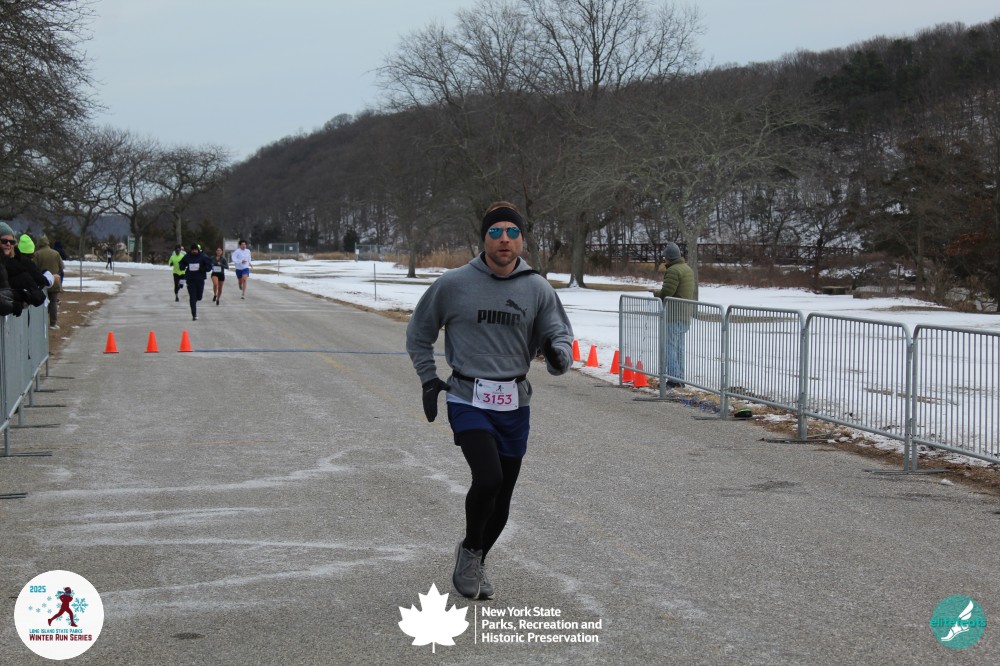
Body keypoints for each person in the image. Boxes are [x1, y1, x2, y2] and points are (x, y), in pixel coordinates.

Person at [405, 201, 574, 600]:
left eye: (512, 233)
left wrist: (558, 356)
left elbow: (560, 335)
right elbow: (418, 333)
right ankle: (470, 557)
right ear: (483, 239)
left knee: (503, 495)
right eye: (495, 232)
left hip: (514, 402)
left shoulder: (537, 288)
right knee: (489, 478)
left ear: (522, 241)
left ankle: (474, 555)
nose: (504, 239)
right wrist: (429, 379)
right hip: (468, 397)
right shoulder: (453, 284)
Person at [652, 241, 695, 388]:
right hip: (685, 314)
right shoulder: (687, 269)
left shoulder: (673, 271)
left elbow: (667, 292)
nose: (664, 259)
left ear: (669, 257)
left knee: (669, 347)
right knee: (679, 347)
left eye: (665, 257)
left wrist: (656, 293)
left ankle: (673, 378)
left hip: (673, 315)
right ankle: (680, 378)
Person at [0, 226, 49, 316]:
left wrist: (20, 296)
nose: (8, 244)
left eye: (11, 242)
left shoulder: (12, 262)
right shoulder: (14, 263)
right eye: (4, 241)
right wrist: (13, 305)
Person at [33, 235, 65, 329]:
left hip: (42, 282)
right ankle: (53, 323)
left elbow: (33, 268)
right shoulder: (56, 253)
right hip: (54, 281)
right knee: (53, 302)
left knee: (42, 302)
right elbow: (61, 267)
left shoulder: (37, 254)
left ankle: (41, 323)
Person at [178, 243, 212, 320]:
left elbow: (209, 266)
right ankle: (194, 314)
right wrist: (182, 267)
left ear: (198, 250)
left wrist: (202, 268)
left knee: (199, 296)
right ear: (191, 250)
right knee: (192, 297)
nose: (194, 251)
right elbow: (181, 263)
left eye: (195, 250)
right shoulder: (187, 256)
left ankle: (195, 301)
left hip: (200, 279)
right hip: (190, 279)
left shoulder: (203, 256)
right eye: (192, 250)